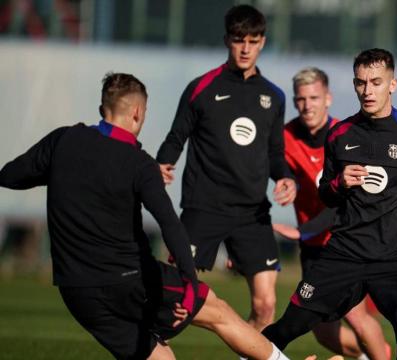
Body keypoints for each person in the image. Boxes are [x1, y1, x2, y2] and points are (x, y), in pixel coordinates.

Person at [0, 72, 289, 360]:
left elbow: (11, 175)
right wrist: (189, 285)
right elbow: (170, 226)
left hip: (78, 292)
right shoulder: (139, 163)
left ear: (103, 109)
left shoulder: (62, 140)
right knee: (218, 311)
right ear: (138, 113)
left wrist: (67, 173)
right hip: (129, 282)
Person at [263, 48, 397, 360]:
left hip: (396, 259)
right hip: (344, 254)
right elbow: (326, 193)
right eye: (361, 83)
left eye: (376, 82)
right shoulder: (340, 134)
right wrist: (340, 184)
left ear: (392, 84)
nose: (368, 91)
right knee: (289, 327)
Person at [156, 5, 295, 331]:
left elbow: (275, 152)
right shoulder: (201, 88)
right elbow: (177, 136)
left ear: (262, 42)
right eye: (238, 40)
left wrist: (285, 177)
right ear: (227, 41)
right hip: (204, 206)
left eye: (253, 40)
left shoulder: (273, 96)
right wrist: (163, 163)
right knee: (175, 298)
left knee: (266, 304)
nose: (246, 48)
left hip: (252, 213)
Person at [273, 67, 390, 360]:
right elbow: (276, 167)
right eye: (301, 99)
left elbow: (343, 202)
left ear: (328, 99)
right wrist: (284, 179)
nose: (307, 105)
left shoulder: (346, 136)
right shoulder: (286, 136)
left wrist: (303, 230)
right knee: (324, 331)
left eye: (314, 97)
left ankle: (382, 355)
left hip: (345, 242)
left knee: (357, 317)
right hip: (313, 247)